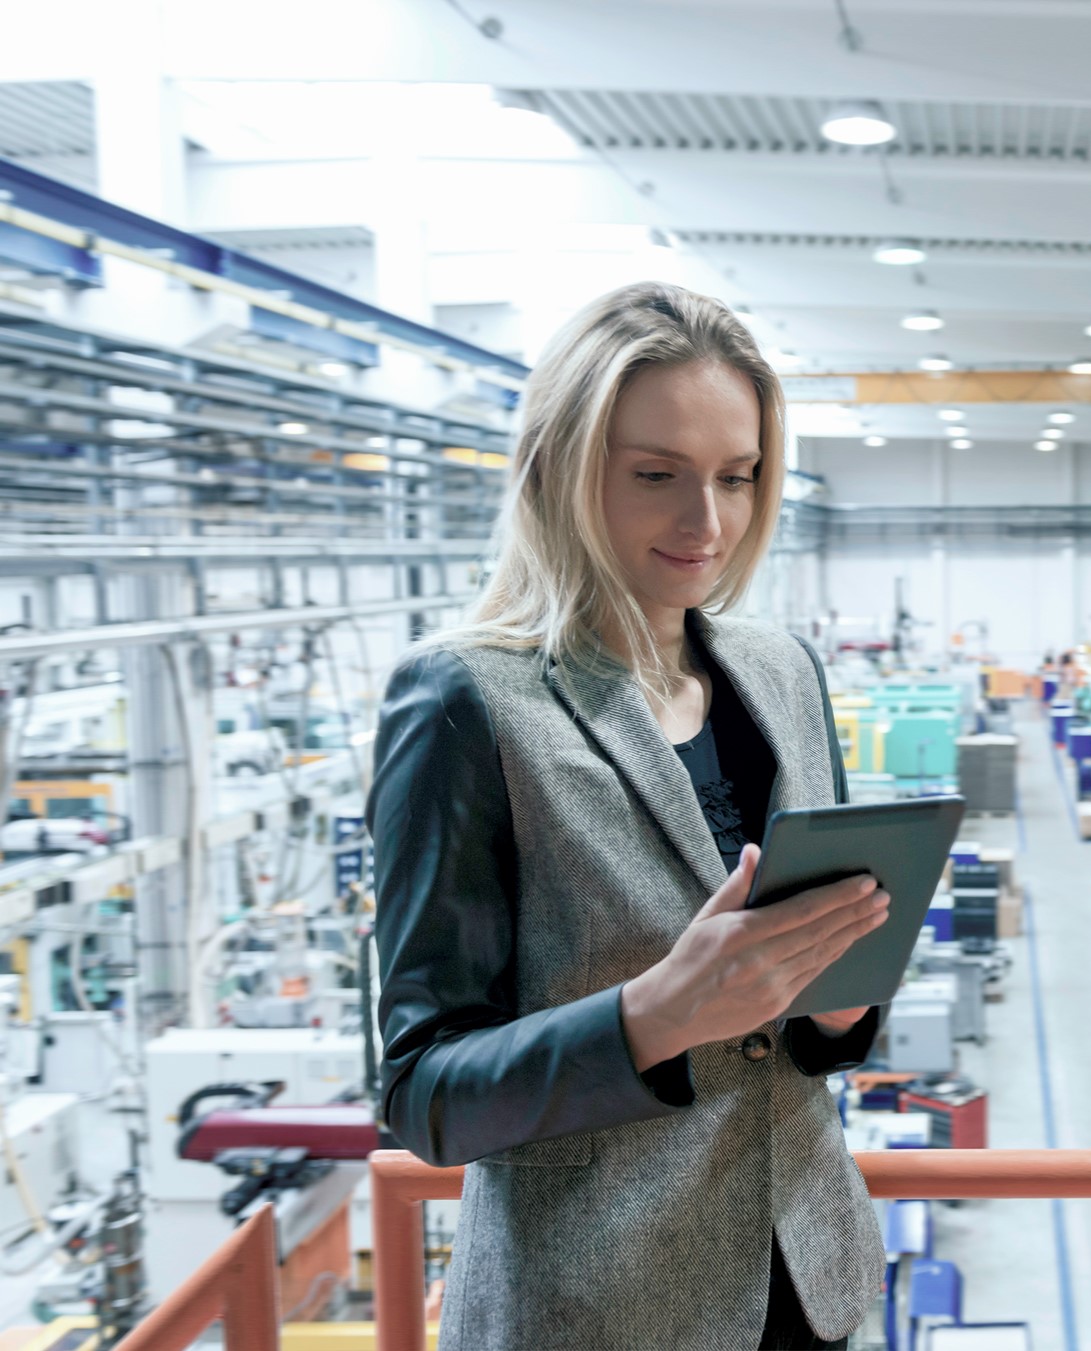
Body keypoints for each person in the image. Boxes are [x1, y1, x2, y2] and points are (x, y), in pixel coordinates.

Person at [368, 282, 889, 1350]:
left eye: (737, 478)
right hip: (596, 1310)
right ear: (562, 467)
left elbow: (789, 1031)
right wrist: (653, 1015)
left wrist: (838, 1004)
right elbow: (426, 1096)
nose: (707, 522)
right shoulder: (468, 701)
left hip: (807, 1283)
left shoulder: (781, 671)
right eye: (656, 476)